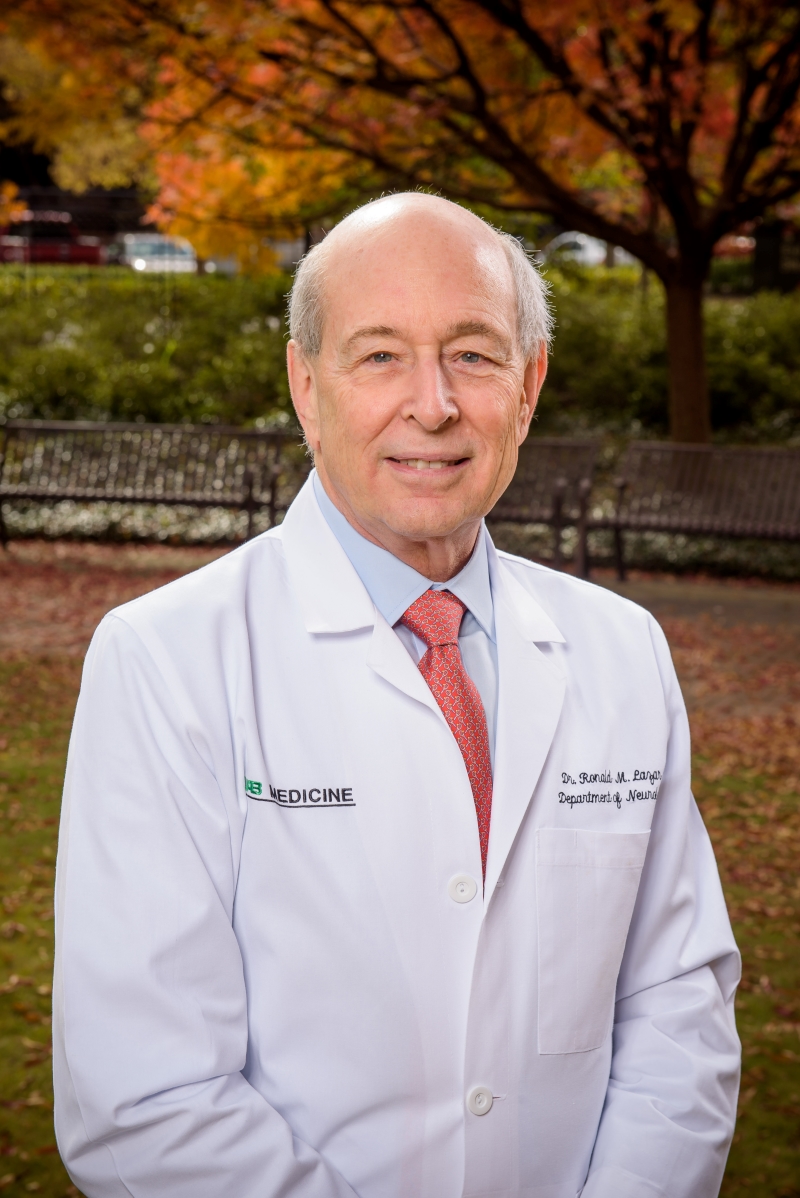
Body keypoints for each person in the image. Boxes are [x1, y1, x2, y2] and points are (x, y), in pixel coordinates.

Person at [53, 193, 740, 1198]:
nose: (432, 404)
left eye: (473, 353)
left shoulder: (621, 650)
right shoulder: (167, 662)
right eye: (379, 355)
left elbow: (676, 1006)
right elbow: (146, 1098)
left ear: (530, 382)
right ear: (305, 383)